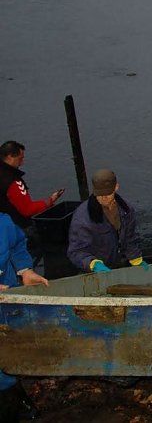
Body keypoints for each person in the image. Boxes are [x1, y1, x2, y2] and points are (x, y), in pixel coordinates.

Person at [0, 212, 48, 421]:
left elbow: (18, 244)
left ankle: (15, 399)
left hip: (6, 298)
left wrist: (25, 270)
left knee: (8, 347)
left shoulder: (3, 222)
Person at [67, 169, 148, 273]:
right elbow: (76, 251)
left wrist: (135, 258)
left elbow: (130, 238)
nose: (104, 198)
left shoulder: (126, 210)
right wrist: (93, 263)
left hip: (118, 263)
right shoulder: (83, 218)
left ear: (116, 187)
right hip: (94, 270)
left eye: (108, 194)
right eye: (100, 195)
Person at [0, 141, 64, 265]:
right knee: (46, 244)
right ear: (9, 157)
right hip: (17, 228)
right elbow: (27, 209)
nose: (22, 162)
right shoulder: (12, 181)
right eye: (20, 158)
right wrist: (50, 201)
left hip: (3, 229)